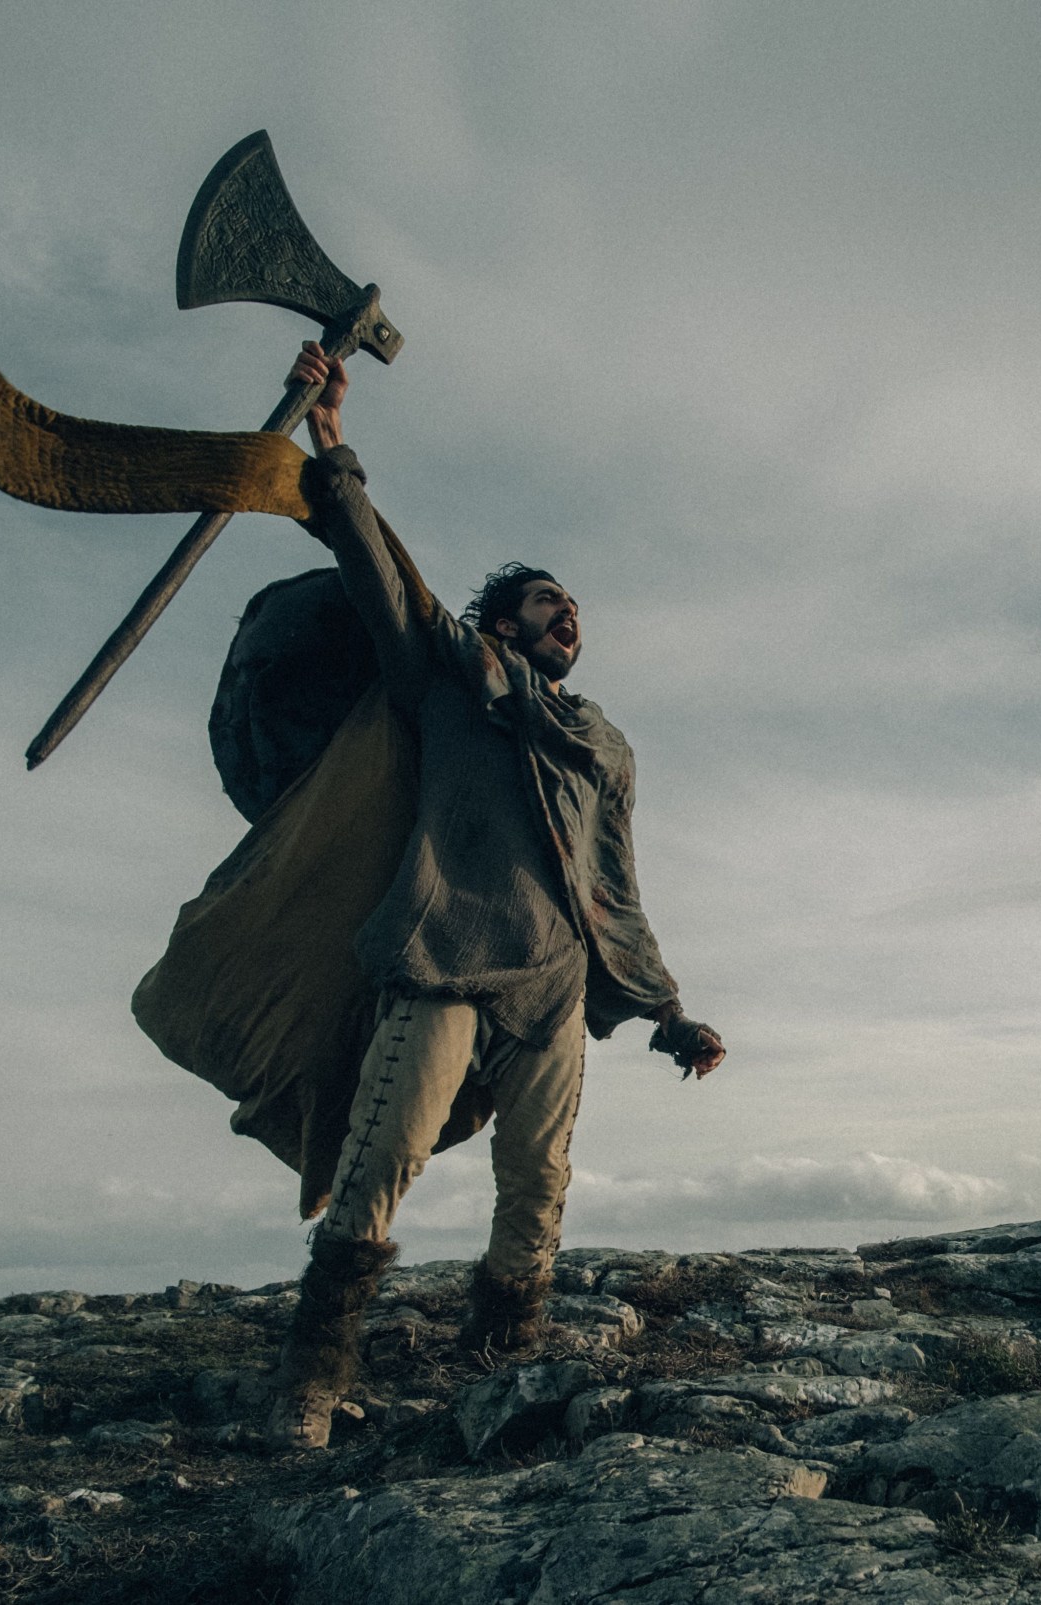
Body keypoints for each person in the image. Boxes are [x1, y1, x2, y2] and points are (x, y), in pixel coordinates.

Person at [267, 340, 724, 1450]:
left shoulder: (599, 741)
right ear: (502, 619)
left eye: (574, 607)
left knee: (540, 1185)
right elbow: (381, 575)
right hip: (443, 956)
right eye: (543, 604)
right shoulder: (448, 678)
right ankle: (308, 1385)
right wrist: (333, 444)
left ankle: (502, 1357)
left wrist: (666, 1013)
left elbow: (612, 881)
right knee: (381, 1162)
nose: (567, 616)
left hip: (555, 985)